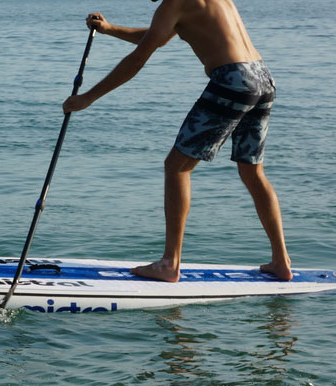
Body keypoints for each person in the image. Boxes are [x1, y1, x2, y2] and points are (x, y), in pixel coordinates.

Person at [63, 0, 292, 282]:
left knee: (177, 166)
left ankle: (170, 263)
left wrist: (88, 97)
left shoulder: (174, 2)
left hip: (231, 81)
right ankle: (281, 261)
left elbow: (138, 58)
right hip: (262, 77)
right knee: (252, 171)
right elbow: (158, 37)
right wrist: (110, 29)